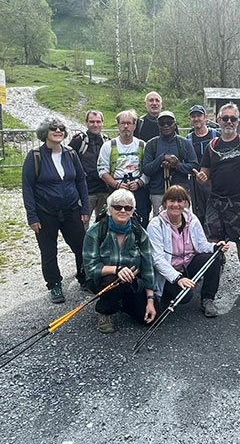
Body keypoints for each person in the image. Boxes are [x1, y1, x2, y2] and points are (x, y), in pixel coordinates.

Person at [195, 102, 240, 293]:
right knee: (213, 238)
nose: (228, 121)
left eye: (232, 118)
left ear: (237, 121)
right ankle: (212, 273)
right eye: (225, 118)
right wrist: (202, 176)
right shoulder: (212, 145)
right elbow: (205, 170)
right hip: (216, 199)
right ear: (218, 120)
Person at [22, 117, 89, 303]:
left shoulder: (71, 153)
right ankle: (54, 285)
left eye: (61, 128)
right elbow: (27, 187)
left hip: (70, 210)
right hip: (45, 212)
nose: (58, 130)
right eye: (53, 128)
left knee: (81, 246)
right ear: (45, 132)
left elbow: (81, 181)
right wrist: (32, 216)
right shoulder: (34, 156)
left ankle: (84, 278)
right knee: (48, 250)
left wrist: (85, 207)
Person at [147, 185, 229, 318]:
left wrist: (215, 247)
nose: (176, 205)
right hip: (168, 272)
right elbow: (157, 259)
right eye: (171, 201)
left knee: (214, 257)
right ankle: (165, 294)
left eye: (180, 201)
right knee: (185, 297)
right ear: (164, 203)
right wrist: (177, 278)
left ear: (185, 203)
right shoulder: (156, 225)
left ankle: (207, 299)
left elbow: (201, 245)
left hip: (187, 266)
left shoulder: (192, 219)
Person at [83, 189, 157, 333]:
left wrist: (150, 300)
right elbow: (90, 269)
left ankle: (123, 302)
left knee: (148, 319)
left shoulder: (139, 233)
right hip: (104, 280)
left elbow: (148, 268)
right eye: (118, 207)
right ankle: (105, 311)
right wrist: (116, 269)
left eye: (128, 208)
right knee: (114, 279)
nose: (123, 210)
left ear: (132, 211)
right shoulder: (95, 232)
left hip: (130, 280)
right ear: (110, 209)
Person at [97, 109, 150, 226]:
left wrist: (139, 183)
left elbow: (148, 169)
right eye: (122, 123)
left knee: (140, 223)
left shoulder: (143, 145)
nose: (126, 126)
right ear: (118, 126)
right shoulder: (108, 146)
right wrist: (117, 185)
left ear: (134, 126)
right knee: (115, 222)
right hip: (115, 189)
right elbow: (102, 170)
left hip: (138, 190)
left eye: (129, 123)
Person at [143, 110, 198, 217]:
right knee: (159, 223)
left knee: (183, 222)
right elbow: (146, 169)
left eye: (169, 122)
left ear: (174, 125)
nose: (166, 126)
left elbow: (194, 166)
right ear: (158, 126)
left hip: (180, 192)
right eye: (162, 123)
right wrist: (161, 159)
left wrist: (176, 165)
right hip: (158, 192)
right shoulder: (151, 144)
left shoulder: (184, 143)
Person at [69, 110, 110, 228]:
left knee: (103, 223)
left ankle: (99, 246)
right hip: (86, 190)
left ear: (102, 123)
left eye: (98, 122)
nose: (95, 125)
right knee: (82, 224)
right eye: (92, 122)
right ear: (86, 123)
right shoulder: (79, 141)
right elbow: (68, 160)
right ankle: (82, 246)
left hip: (104, 189)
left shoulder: (107, 141)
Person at [187, 105, 219, 225]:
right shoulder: (188, 139)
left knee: (216, 212)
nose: (196, 119)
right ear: (189, 119)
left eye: (199, 116)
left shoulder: (216, 136)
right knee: (199, 213)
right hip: (196, 183)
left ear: (205, 117)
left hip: (215, 181)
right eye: (193, 116)